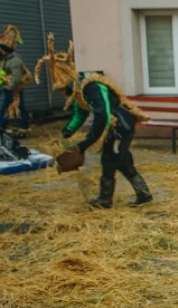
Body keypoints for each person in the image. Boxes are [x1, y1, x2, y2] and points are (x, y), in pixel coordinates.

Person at [33, 33, 153, 208]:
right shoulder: (80, 91)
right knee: (123, 160)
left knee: (109, 160)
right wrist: (67, 132)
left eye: (61, 90)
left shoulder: (92, 86)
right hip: (115, 127)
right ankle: (144, 194)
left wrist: (85, 143)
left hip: (119, 127)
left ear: (68, 84)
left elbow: (103, 116)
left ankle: (105, 200)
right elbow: (80, 113)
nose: (62, 94)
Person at [0, 25, 33, 138]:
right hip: (10, 88)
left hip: (14, 89)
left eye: (2, 49)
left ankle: (4, 127)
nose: (0, 51)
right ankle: (16, 126)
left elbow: (16, 77)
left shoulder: (15, 61)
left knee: (12, 107)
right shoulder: (7, 60)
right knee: (15, 107)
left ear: (6, 50)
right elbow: (6, 73)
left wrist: (9, 88)